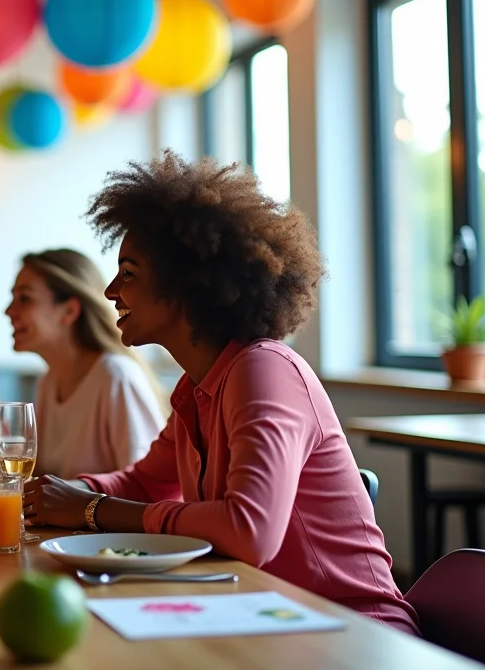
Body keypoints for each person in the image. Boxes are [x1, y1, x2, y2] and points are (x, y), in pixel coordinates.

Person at [23, 151, 419, 636]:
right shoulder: (198, 385)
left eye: (128, 273)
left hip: (353, 635)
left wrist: (91, 509)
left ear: (187, 285)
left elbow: (249, 532)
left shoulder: (263, 370)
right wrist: (73, 492)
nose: (109, 292)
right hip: (264, 617)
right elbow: (145, 484)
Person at [6, 248, 167, 477]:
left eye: (24, 298)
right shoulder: (49, 381)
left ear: (69, 310)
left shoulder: (116, 377)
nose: (8, 311)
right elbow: (40, 480)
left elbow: (149, 489)